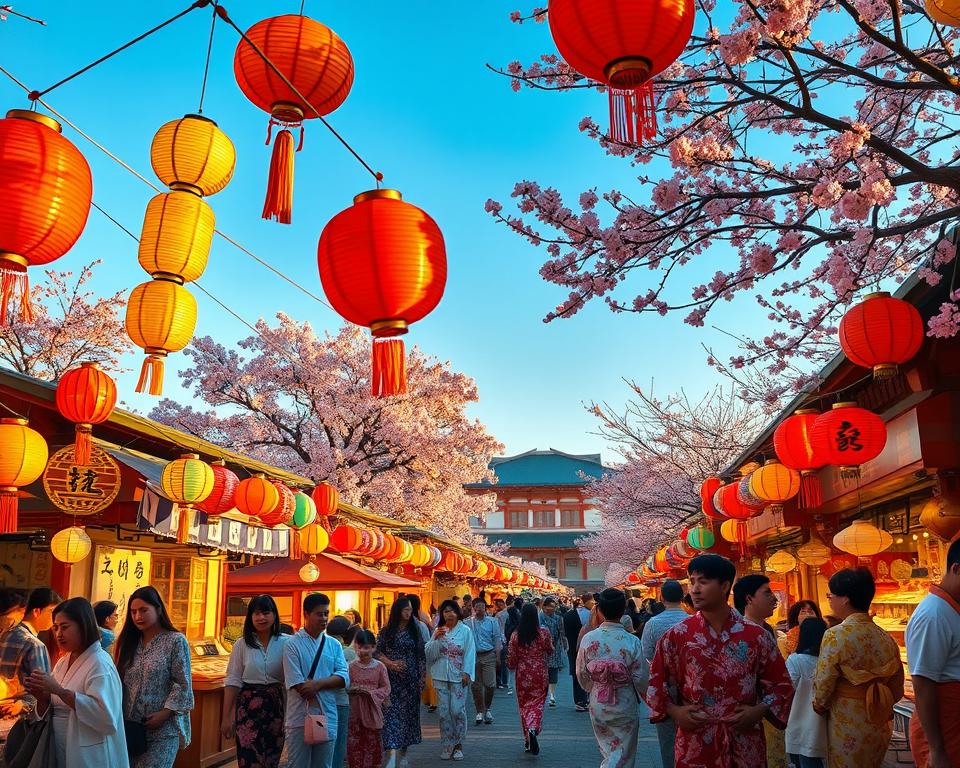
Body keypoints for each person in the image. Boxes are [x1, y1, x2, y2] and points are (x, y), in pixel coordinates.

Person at [647, 554, 794, 768]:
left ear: (725, 586)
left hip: (745, 740)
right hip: (696, 741)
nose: (695, 589)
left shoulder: (757, 636)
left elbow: (782, 685)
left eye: (703, 582)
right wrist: (676, 712)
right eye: (692, 581)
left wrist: (759, 710)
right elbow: (655, 684)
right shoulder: (677, 636)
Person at [812, 567, 904, 768]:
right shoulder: (886, 638)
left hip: (848, 719)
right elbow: (897, 689)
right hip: (879, 720)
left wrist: (818, 706)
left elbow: (824, 686)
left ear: (845, 599)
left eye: (831, 595)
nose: (830, 600)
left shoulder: (835, 635)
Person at [24, 597, 128, 767]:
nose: (59, 634)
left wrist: (60, 691)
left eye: (65, 627)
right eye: (56, 628)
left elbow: (106, 719)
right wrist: (41, 696)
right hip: (58, 745)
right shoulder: (62, 662)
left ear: (83, 626)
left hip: (87, 752)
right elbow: (53, 705)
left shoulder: (100, 663)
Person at [116, 585, 193, 768]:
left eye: (144, 610)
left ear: (158, 609)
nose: (138, 616)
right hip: (131, 728)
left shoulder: (175, 640)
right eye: (133, 612)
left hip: (164, 730)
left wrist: (165, 713)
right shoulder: (128, 643)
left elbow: (183, 683)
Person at [576, 588, 646, 768]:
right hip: (625, 700)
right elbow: (641, 677)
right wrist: (648, 695)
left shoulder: (589, 639)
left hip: (599, 700)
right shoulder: (632, 641)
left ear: (599, 610)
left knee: (607, 749)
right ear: (623, 610)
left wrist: (593, 687)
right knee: (625, 752)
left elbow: (581, 672)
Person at [906, 537, 960, 768]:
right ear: (956, 569)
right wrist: (936, 749)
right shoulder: (933, 614)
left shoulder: (951, 608)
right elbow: (922, 684)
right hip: (944, 730)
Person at [282, 593, 349, 768]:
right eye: (319, 614)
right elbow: (297, 683)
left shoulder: (333, 644)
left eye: (326, 613)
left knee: (324, 765)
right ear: (306, 614)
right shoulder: (292, 644)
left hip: (328, 713)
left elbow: (344, 677)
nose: (324, 618)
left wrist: (317, 684)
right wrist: (327, 682)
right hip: (299, 716)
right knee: (298, 764)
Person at [222, 595, 286, 768]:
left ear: (274, 615)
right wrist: (227, 717)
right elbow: (233, 680)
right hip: (247, 708)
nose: (261, 618)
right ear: (250, 616)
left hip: (275, 706)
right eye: (256, 613)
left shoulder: (287, 643)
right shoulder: (241, 644)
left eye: (266, 613)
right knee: (248, 758)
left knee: (271, 758)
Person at [734, 574, 787, 768]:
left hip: (768, 713)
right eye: (767, 593)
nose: (774, 598)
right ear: (749, 599)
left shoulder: (768, 630)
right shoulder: (737, 634)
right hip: (748, 717)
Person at [639, 579, 688, 768]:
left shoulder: (653, 624)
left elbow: (646, 655)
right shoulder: (692, 621)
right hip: (693, 685)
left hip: (665, 686)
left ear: (661, 598)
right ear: (682, 597)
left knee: (668, 740)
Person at [0, 586, 59, 733]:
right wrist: (24, 704)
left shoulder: (4, 634)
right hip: (18, 722)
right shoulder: (34, 644)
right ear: (36, 611)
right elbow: (43, 692)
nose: (55, 618)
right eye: (52, 611)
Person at [376, 597, 425, 768]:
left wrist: (422, 678)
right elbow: (377, 651)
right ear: (398, 610)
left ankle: (403, 752)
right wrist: (389, 663)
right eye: (405, 610)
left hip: (411, 681)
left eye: (410, 610)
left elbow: (421, 655)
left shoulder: (415, 629)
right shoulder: (387, 630)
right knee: (391, 715)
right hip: (391, 680)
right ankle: (391, 752)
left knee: (408, 717)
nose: (408, 613)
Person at [425, 599, 476, 761]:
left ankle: (459, 744)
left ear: (457, 613)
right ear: (442, 614)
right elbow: (429, 654)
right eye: (446, 611)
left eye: (452, 611)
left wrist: (467, 672)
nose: (449, 614)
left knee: (457, 711)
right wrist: (435, 639)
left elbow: (470, 652)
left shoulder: (465, 631)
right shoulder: (438, 630)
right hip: (440, 676)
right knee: (444, 713)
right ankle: (447, 744)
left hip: (459, 677)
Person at [508, 603, 553, 755]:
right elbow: (550, 650)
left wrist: (512, 665)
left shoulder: (516, 635)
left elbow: (511, 658)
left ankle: (527, 739)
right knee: (538, 703)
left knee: (524, 705)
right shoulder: (544, 633)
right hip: (540, 672)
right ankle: (533, 727)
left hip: (522, 673)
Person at [785, 618, 828, 768]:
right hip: (822, 722)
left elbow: (788, 689)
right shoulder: (827, 661)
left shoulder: (795, 661)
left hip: (797, 720)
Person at [347, 629, 391, 768]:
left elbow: (386, 688)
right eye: (360, 647)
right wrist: (352, 690)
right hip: (354, 711)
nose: (363, 651)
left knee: (372, 743)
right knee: (355, 743)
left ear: (373, 647)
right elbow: (345, 687)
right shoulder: (350, 667)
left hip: (373, 710)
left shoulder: (380, 667)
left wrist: (371, 693)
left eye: (367, 647)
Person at [464, 597, 502, 725]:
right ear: (473, 608)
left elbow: (497, 638)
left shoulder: (492, 621)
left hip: (489, 655)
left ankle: (488, 708)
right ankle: (479, 710)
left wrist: (498, 655)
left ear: (485, 607)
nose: (479, 609)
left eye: (482, 606)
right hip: (473, 656)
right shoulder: (467, 623)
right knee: (476, 685)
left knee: (490, 684)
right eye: (477, 606)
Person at [327, 616, 357, 768]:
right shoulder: (346, 651)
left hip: (323, 700)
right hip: (341, 701)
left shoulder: (323, 645)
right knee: (339, 743)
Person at [562, 598, 589, 711]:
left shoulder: (568, 615)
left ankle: (580, 700)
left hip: (572, 649)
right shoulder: (590, 615)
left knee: (577, 673)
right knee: (585, 673)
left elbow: (564, 632)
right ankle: (584, 700)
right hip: (583, 649)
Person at [539, 597, 566, 707]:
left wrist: (564, 645)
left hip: (555, 648)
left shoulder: (558, 618)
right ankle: (543, 695)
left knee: (553, 671)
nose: (552, 609)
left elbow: (562, 632)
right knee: (542, 672)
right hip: (541, 649)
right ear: (544, 607)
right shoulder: (539, 618)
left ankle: (552, 695)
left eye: (554, 607)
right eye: (550, 606)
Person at [494, 598, 510, 690]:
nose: (499, 607)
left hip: (501, 639)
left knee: (501, 661)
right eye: (498, 605)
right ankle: (504, 681)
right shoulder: (507, 614)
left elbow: (496, 629)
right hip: (504, 639)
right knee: (503, 662)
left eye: (500, 605)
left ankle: (500, 681)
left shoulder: (498, 615)